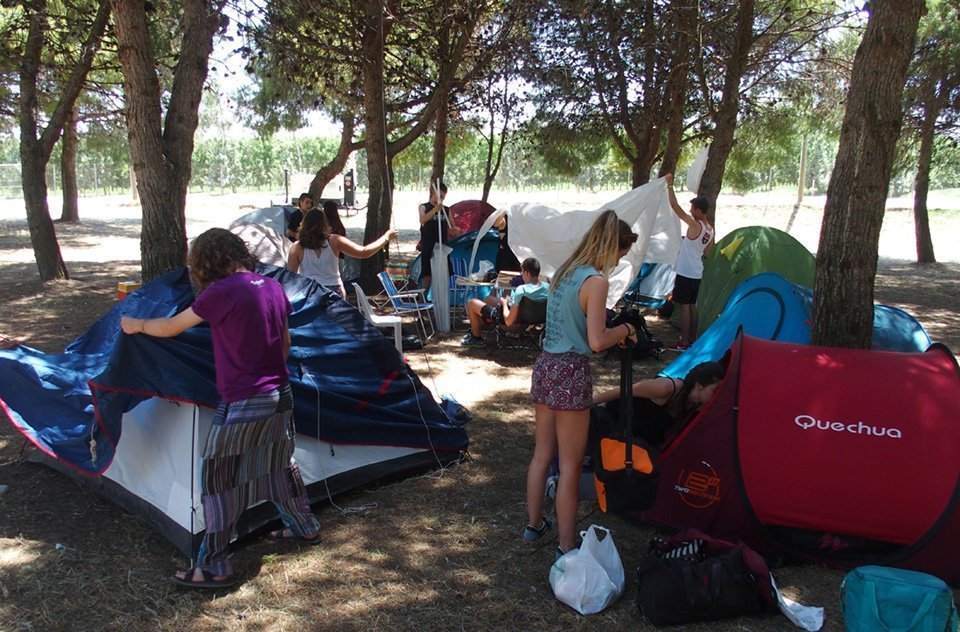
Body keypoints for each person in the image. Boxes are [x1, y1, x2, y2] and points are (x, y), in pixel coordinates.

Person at [120, 228, 321, 590]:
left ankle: (214, 566)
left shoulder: (221, 292)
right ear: (238, 253)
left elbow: (170, 328)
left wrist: (137, 325)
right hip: (280, 393)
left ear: (205, 263)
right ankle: (305, 528)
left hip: (244, 400)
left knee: (218, 478)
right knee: (277, 464)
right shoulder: (271, 286)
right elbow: (286, 343)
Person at [524, 210, 639, 559]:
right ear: (611, 247)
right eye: (621, 253)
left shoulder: (564, 273)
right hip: (571, 371)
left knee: (542, 454)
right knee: (571, 466)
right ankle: (566, 545)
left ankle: (533, 526)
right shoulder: (595, 281)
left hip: (545, 366)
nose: (620, 261)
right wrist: (627, 330)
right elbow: (597, 341)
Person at [593, 361, 725, 447]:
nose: (717, 394)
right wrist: (584, 404)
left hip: (640, 437)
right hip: (616, 420)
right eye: (715, 390)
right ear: (699, 385)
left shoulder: (697, 406)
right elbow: (622, 391)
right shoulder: (667, 388)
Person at [287, 210, 398, 299]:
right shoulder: (335, 240)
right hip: (334, 292)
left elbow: (290, 278)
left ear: (304, 225)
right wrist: (386, 238)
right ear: (324, 224)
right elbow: (364, 252)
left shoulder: (296, 247)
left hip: (309, 292)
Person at [665, 173, 714, 351]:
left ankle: (683, 341)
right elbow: (707, 252)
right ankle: (692, 339)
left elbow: (674, 206)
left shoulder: (695, 226)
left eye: (693, 209)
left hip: (686, 272)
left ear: (700, 211)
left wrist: (670, 185)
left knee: (684, 307)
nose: (691, 212)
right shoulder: (710, 230)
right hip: (697, 272)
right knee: (692, 306)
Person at [461, 257, 548, 348]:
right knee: (488, 299)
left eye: (522, 273)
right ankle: (478, 328)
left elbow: (508, 321)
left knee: (472, 303)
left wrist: (504, 304)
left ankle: (476, 338)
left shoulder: (522, 290)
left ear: (526, 273)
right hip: (532, 322)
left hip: (515, 325)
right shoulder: (547, 287)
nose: (521, 275)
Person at [418, 181, 461, 291]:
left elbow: (452, 226)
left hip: (442, 246)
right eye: (440, 196)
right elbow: (422, 220)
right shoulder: (423, 207)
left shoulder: (446, 210)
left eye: (443, 197)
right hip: (428, 245)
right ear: (434, 192)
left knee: (444, 272)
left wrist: (455, 230)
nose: (441, 199)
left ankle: (442, 297)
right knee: (427, 274)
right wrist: (434, 211)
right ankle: (423, 298)